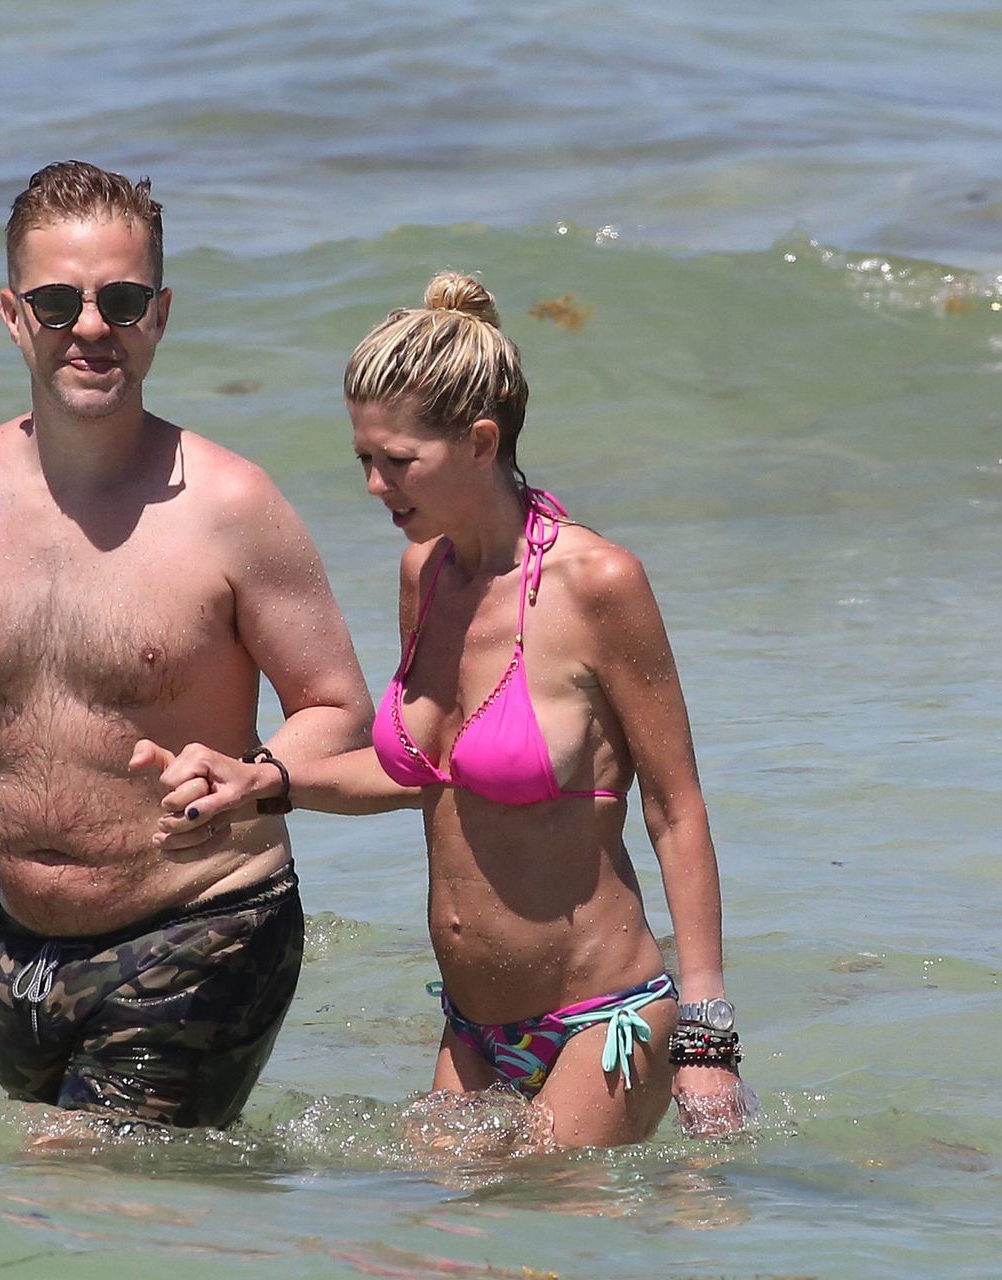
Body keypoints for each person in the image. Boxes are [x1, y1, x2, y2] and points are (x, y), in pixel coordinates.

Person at [0, 161, 372, 1129]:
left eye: (121, 302)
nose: (91, 327)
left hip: (204, 925)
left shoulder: (232, 507)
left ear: (159, 316)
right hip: (22, 951)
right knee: (45, 1199)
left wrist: (255, 776)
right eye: (58, 303)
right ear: (14, 317)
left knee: (76, 1178)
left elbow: (339, 709)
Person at [145, 272, 748, 1149]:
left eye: (397, 461)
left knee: (537, 1212)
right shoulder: (426, 574)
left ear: (479, 442)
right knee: (430, 1222)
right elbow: (419, 773)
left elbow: (676, 808)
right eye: (363, 459)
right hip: (472, 1032)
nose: (374, 484)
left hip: (605, 1019)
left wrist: (708, 1035)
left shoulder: (598, 584)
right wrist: (262, 782)